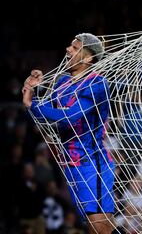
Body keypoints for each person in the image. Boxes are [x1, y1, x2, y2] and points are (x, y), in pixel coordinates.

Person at [22, 33, 115, 234]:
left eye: (75, 47)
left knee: (99, 228)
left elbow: (69, 117)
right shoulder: (62, 82)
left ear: (88, 58)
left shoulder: (97, 83)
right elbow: (49, 114)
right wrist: (37, 89)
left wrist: (32, 104)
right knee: (100, 227)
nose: (68, 49)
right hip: (72, 166)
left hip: (93, 165)